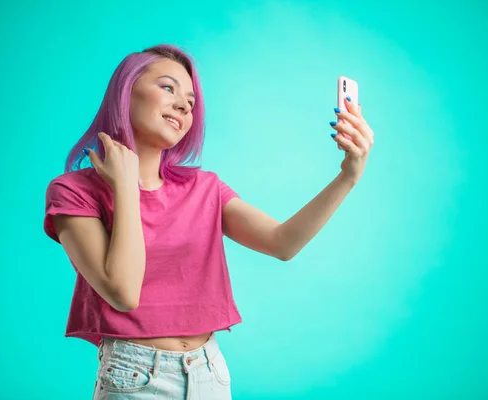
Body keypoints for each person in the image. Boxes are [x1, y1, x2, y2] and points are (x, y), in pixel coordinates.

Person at [43, 44, 374, 399]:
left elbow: (283, 243)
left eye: (191, 100)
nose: (184, 105)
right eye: (168, 87)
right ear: (125, 91)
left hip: (209, 372)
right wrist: (126, 186)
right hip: (134, 378)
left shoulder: (206, 188)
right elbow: (123, 292)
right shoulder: (73, 192)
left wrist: (348, 176)